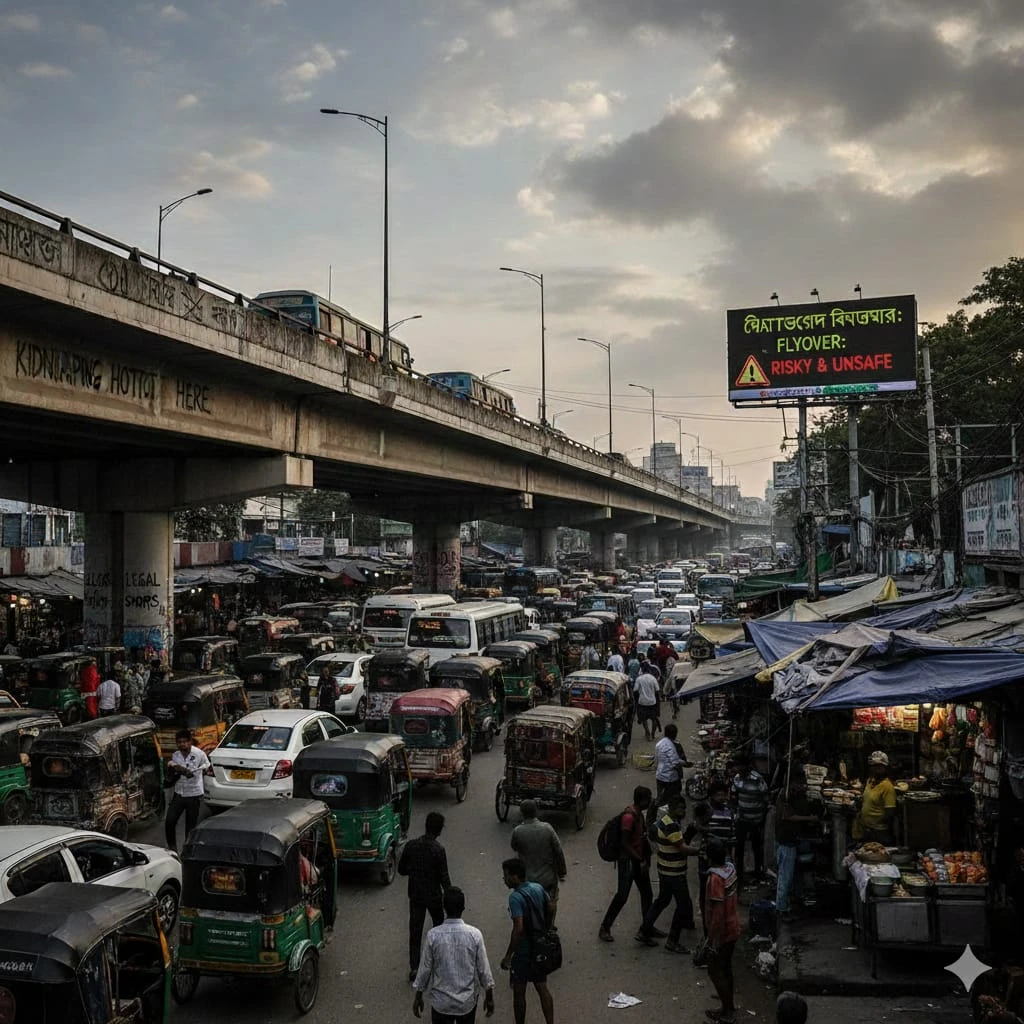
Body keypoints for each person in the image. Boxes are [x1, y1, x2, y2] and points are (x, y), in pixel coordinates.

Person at [414, 886, 495, 1023]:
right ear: (463, 908)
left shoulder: (433, 935)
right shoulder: (474, 935)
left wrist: (418, 996)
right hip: (466, 1003)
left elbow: (425, 969)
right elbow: (483, 970)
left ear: (444, 907)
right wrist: (489, 996)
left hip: (441, 1003)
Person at [636, 792, 699, 951]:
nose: (682, 812)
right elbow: (683, 848)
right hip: (674, 872)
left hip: (664, 869)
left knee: (662, 900)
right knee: (682, 905)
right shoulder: (672, 826)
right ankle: (672, 940)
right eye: (679, 809)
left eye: (684, 809)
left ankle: (644, 930)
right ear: (671, 808)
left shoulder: (662, 822)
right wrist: (700, 851)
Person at [400, 811, 453, 982]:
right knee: (438, 930)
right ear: (439, 830)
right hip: (434, 896)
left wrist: (414, 871)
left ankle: (415, 968)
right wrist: (450, 896)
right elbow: (444, 878)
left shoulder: (411, 846)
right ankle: (437, 964)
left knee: (415, 931)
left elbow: (401, 869)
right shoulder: (438, 849)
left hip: (415, 894)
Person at [599, 785, 656, 942]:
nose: (650, 801)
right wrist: (638, 858)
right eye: (649, 798)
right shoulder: (629, 817)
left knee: (647, 894)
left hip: (637, 860)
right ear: (643, 800)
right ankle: (605, 926)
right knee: (622, 896)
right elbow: (624, 842)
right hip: (628, 862)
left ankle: (647, 926)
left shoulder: (639, 815)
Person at [500, 858, 553, 1024]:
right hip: (539, 944)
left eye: (506, 875)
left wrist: (509, 955)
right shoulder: (537, 887)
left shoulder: (515, 897)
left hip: (524, 949)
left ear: (515, 876)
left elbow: (518, 928)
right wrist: (547, 927)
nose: (505, 879)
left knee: (519, 990)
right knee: (541, 986)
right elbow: (551, 907)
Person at [510, 800, 567, 929]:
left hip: (527, 879)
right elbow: (558, 850)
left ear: (522, 813)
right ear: (536, 812)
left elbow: (514, 846)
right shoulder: (547, 828)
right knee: (551, 901)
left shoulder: (518, 831)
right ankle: (549, 926)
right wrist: (562, 870)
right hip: (547, 878)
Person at [774, 769, 818, 922]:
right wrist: (809, 818)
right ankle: (781, 909)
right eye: (799, 784)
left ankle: (792, 902)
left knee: (794, 876)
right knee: (785, 877)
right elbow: (788, 816)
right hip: (786, 841)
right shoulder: (784, 796)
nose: (802, 786)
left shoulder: (796, 795)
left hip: (794, 839)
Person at [704, 838, 740, 1024]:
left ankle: (727, 1012)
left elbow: (717, 912)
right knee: (726, 968)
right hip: (733, 925)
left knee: (715, 970)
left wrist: (711, 940)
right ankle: (729, 1005)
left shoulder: (715, 879)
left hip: (723, 931)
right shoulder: (730, 870)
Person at [165, 729, 210, 853]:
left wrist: (201, 770)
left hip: (193, 794)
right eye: (179, 742)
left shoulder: (199, 754)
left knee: (190, 826)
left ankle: (187, 850)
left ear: (190, 742)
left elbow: (207, 764)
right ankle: (172, 848)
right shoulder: (176, 755)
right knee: (170, 821)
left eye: (185, 742)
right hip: (179, 793)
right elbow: (172, 768)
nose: (182, 744)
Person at [731, 753, 769, 887]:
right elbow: (735, 797)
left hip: (756, 821)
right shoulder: (736, 779)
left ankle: (757, 872)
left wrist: (761, 818)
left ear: (747, 766)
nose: (738, 769)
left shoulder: (757, 779)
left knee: (756, 846)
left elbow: (765, 799)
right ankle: (739, 874)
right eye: (737, 766)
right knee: (739, 847)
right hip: (742, 819)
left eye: (740, 766)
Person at [853, 750, 897, 844]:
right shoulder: (870, 781)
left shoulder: (887, 787)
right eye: (873, 766)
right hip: (865, 830)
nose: (875, 769)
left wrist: (875, 826)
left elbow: (890, 812)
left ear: (885, 768)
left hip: (878, 833)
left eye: (878, 766)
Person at [654, 722, 686, 810]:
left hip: (660, 775)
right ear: (675, 734)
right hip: (670, 778)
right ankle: (669, 817)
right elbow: (675, 763)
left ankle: (659, 815)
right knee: (672, 799)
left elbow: (656, 760)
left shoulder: (659, 744)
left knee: (660, 798)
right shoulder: (672, 746)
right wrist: (684, 764)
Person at [707, 782, 735, 860]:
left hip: (725, 850)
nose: (722, 798)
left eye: (724, 795)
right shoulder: (707, 810)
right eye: (719, 795)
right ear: (712, 796)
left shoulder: (728, 810)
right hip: (710, 850)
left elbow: (732, 829)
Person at [633, 663, 660, 741]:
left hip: (642, 702)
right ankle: (653, 733)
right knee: (654, 719)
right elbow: (657, 690)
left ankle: (647, 732)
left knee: (643, 719)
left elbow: (635, 690)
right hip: (652, 702)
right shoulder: (653, 678)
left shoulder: (639, 679)